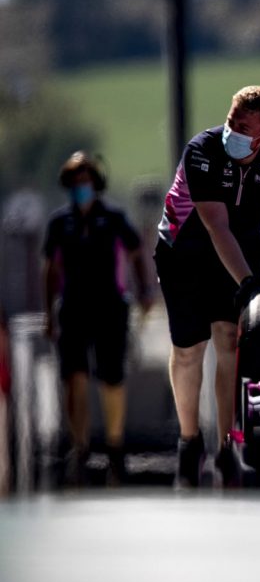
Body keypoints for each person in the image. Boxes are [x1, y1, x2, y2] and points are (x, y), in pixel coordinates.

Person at [154, 85, 260, 487]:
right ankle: (189, 441)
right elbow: (215, 226)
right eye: (230, 121)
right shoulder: (202, 150)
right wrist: (246, 283)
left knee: (229, 340)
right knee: (190, 349)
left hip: (244, 245)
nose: (232, 131)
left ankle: (227, 445)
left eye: (243, 128)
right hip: (185, 248)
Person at [42, 151, 153, 485]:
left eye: (86, 181)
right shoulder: (60, 223)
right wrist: (49, 314)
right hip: (73, 306)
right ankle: (80, 447)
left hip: (109, 306)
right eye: (76, 182)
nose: (81, 187)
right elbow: (50, 269)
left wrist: (144, 291)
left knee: (111, 377)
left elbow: (136, 253)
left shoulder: (114, 218)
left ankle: (115, 447)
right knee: (73, 377)